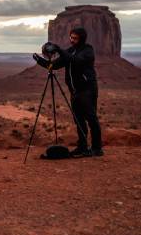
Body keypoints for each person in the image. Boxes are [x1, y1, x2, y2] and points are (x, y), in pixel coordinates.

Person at [33, 27, 103, 157]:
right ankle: (82, 147)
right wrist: (39, 60)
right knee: (79, 120)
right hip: (75, 92)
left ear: (82, 38)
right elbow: (54, 65)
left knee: (91, 119)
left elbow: (77, 60)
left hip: (87, 90)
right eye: (71, 37)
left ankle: (97, 148)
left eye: (75, 38)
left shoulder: (88, 50)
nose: (72, 40)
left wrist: (59, 49)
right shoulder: (71, 51)